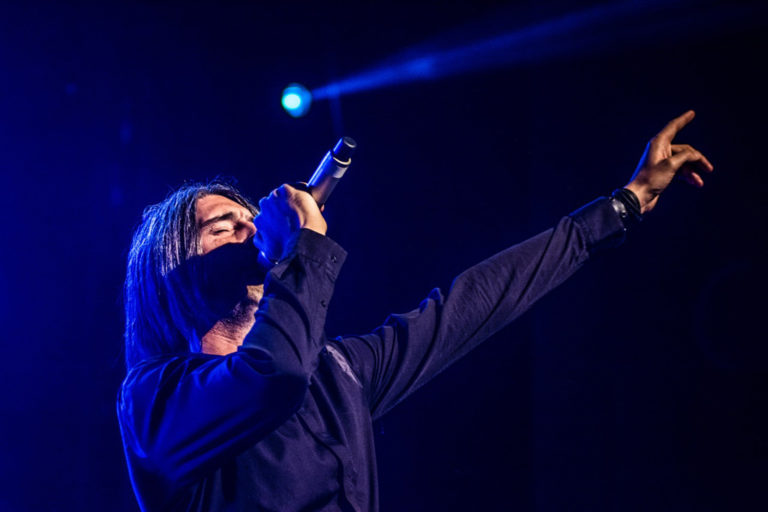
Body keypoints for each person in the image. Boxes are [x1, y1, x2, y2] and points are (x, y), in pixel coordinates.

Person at [117, 111, 713, 511]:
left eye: (254, 220)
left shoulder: (338, 375)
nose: (252, 231)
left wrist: (622, 206)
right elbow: (274, 374)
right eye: (225, 227)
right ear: (171, 270)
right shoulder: (154, 399)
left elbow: (473, 303)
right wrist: (302, 249)